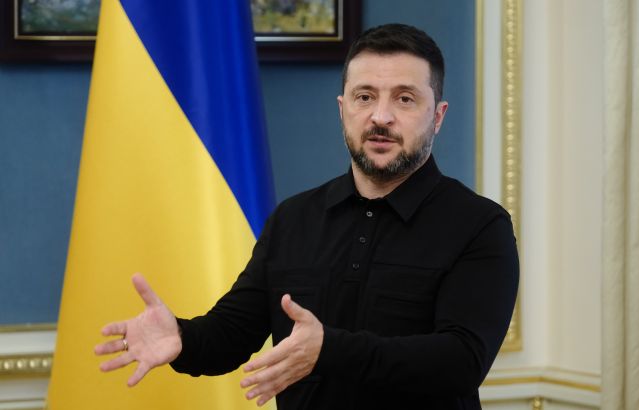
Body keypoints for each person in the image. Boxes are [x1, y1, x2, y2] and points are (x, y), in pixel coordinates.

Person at [95, 23, 519, 409]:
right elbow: (230, 336)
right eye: (365, 97)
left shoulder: (480, 225)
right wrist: (181, 338)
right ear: (342, 109)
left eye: (404, 99)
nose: (381, 116)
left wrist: (329, 350)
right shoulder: (293, 219)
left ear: (438, 116)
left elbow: (461, 362)